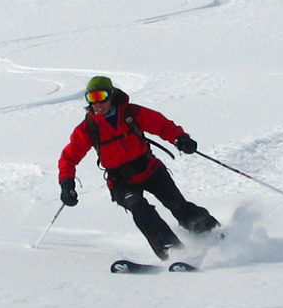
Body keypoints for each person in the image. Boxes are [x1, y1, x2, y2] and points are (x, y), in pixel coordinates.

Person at [58, 75, 220, 259]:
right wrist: (66, 184)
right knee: (139, 208)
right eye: (92, 98)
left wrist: (180, 138)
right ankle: (171, 249)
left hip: (149, 169)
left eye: (101, 97)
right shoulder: (88, 129)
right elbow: (68, 158)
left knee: (177, 204)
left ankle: (211, 233)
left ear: (111, 95)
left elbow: (162, 125)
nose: (97, 104)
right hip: (121, 182)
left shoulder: (131, 114)